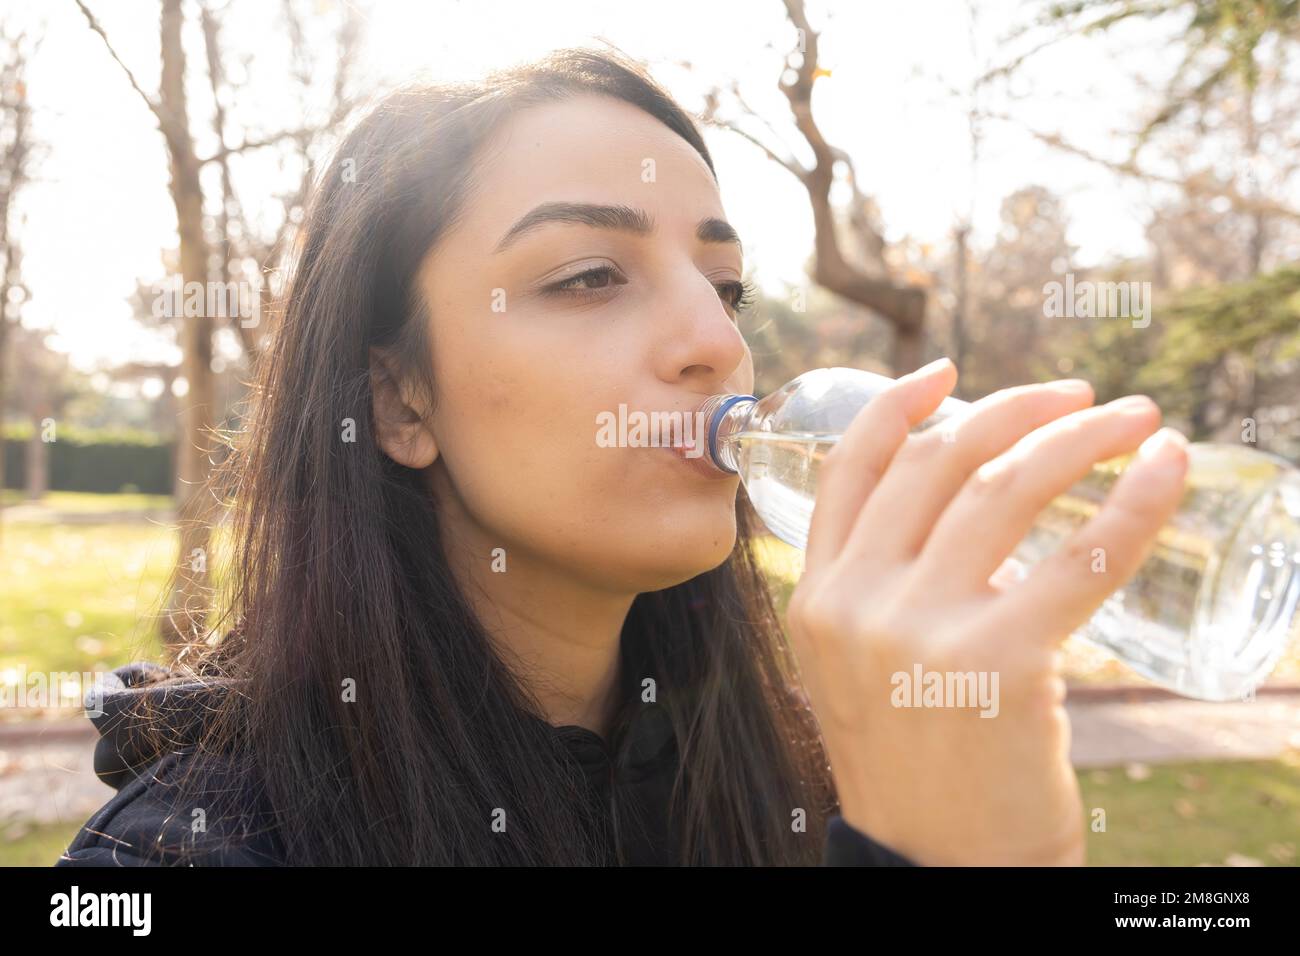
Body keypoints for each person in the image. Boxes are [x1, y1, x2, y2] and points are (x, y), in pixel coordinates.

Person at [57, 47, 1188, 867]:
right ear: (399, 402)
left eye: (725, 284)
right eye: (588, 275)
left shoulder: (805, 773)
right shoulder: (179, 857)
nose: (717, 340)